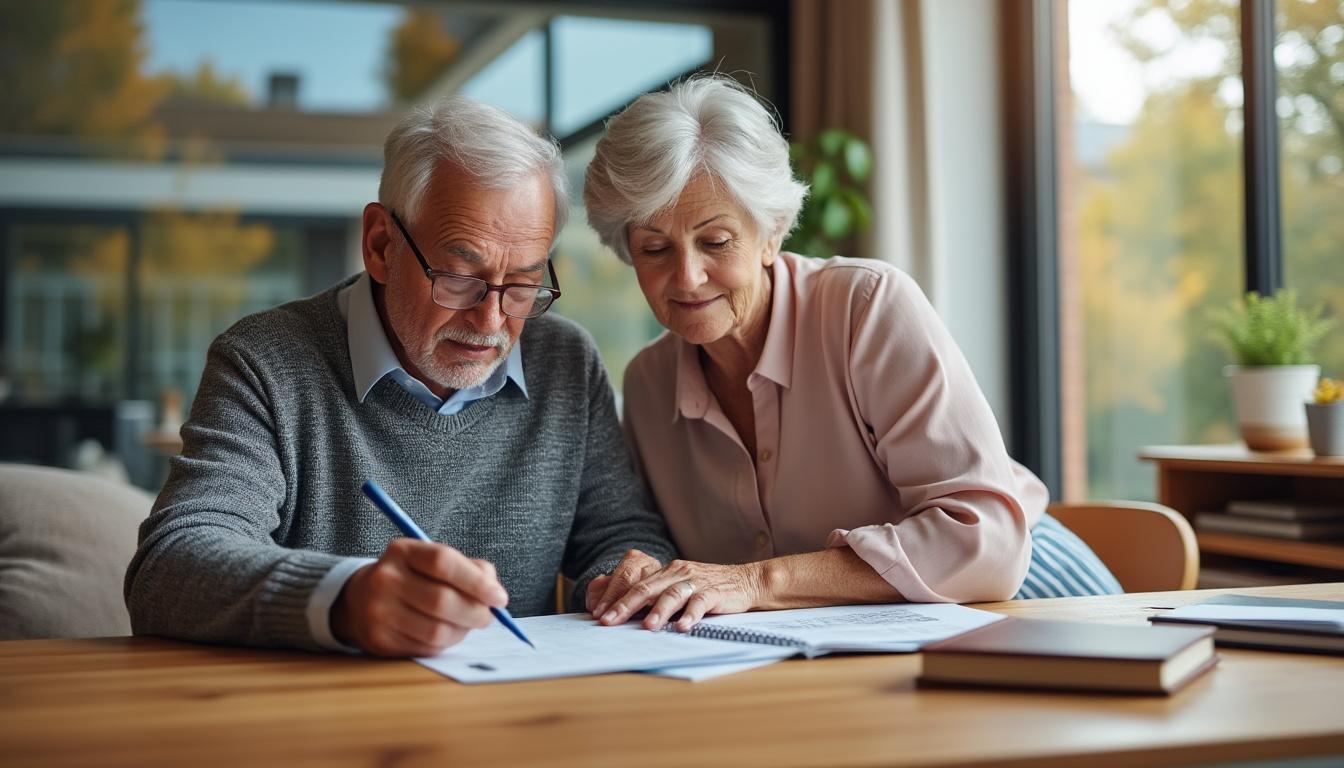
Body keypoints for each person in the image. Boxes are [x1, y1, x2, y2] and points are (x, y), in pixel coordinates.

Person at [125, 96, 675, 656]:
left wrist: (620, 579)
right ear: (380, 245)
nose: (491, 321)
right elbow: (169, 566)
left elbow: (621, 532)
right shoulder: (265, 362)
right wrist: (346, 600)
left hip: (507, 695)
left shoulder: (565, 361)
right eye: (459, 276)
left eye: (523, 283)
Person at [582, 76, 1121, 633]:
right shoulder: (648, 383)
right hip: (845, 636)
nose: (687, 277)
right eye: (654, 248)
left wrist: (758, 581)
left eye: (716, 242)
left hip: (1020, 595)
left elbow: (986, 542)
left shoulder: (865, 307)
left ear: (772, 232)